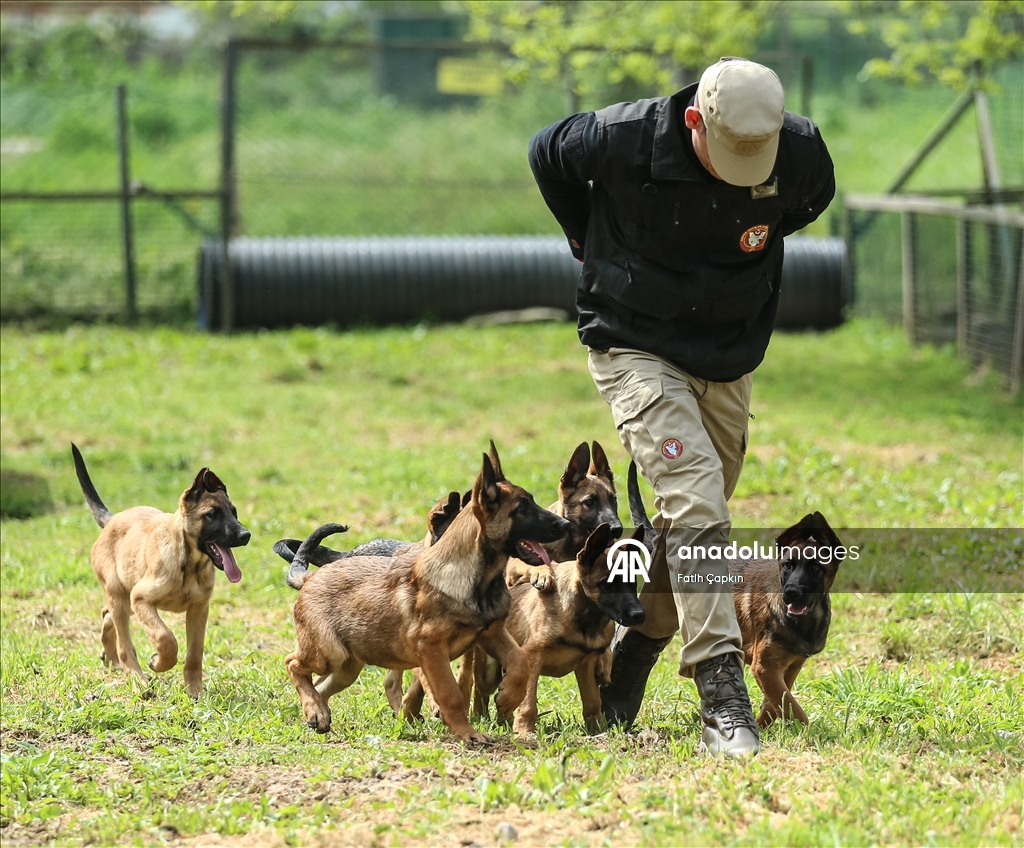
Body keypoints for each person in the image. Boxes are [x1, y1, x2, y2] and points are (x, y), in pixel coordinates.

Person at [528, 57, 835, 756]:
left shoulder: (802, 152)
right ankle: (722, 698)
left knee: (685, 517)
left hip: (726, 353)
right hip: (633, 342)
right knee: (699, 504)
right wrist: (588, 240)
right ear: (695, 119)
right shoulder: (620, 137)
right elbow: (544, 153)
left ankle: (633, 659)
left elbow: (808, 204)